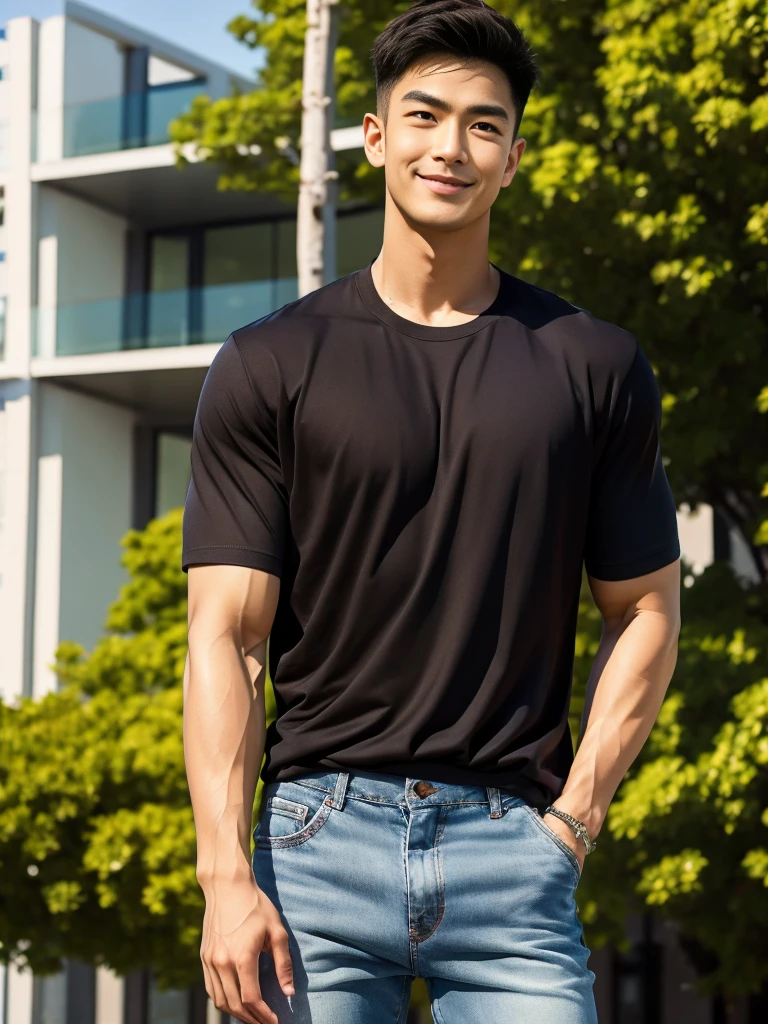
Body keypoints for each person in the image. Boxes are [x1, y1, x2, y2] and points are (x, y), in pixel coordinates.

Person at [181, 1, 681, 1021]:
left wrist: (576, 822)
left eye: (484, 124)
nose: (450, 146)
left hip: (515, 851)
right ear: (374, 138)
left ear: (514, 158)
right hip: (315, 847)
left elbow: (646, 609)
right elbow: (227, 636)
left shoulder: (593, 362)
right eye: (423, 114)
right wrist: (224, 876)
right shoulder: (271, 363)